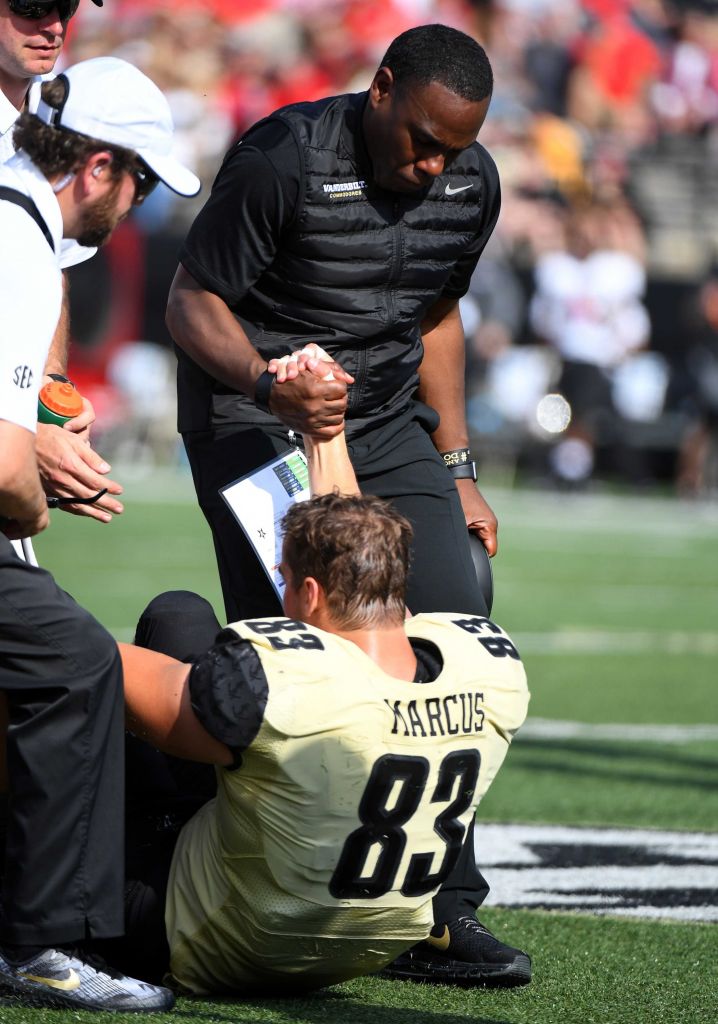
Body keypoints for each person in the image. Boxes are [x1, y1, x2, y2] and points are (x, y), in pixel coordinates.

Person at [166, 22, 528, 985]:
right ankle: (262, 885)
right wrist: (267, 380)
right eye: (423, 140)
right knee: (309, 649)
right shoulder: (283, 158)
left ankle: (440, 911)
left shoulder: (471, 180)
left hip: (386, 417)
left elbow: (437, 314)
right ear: (381, 88)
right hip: (254, 413)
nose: (436, 163)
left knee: (455, 615)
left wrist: (457, 466)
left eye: (455, 148)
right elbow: (190, 301)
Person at [109, 419, 530, 995]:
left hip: (233, 942)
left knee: (122, 667)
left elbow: (91, 662)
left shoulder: (288, 682)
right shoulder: (486, 664)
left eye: (285, 580)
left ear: (308, 592)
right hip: (371, 946)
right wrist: (325, 439)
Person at [0, 55, 200, 1012]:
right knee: (76, 663)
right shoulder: (18, 240)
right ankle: (43, 944)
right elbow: (5, 470)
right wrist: (33, 495)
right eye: (142, 182)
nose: (138, 206)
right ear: (98, 166)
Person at [0, 0, 125, 528]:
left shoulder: (51, 114)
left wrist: (46, 394)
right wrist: (18, 434)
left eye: (64, 7)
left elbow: (47, 266)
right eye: (30, 6)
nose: (52, 26)